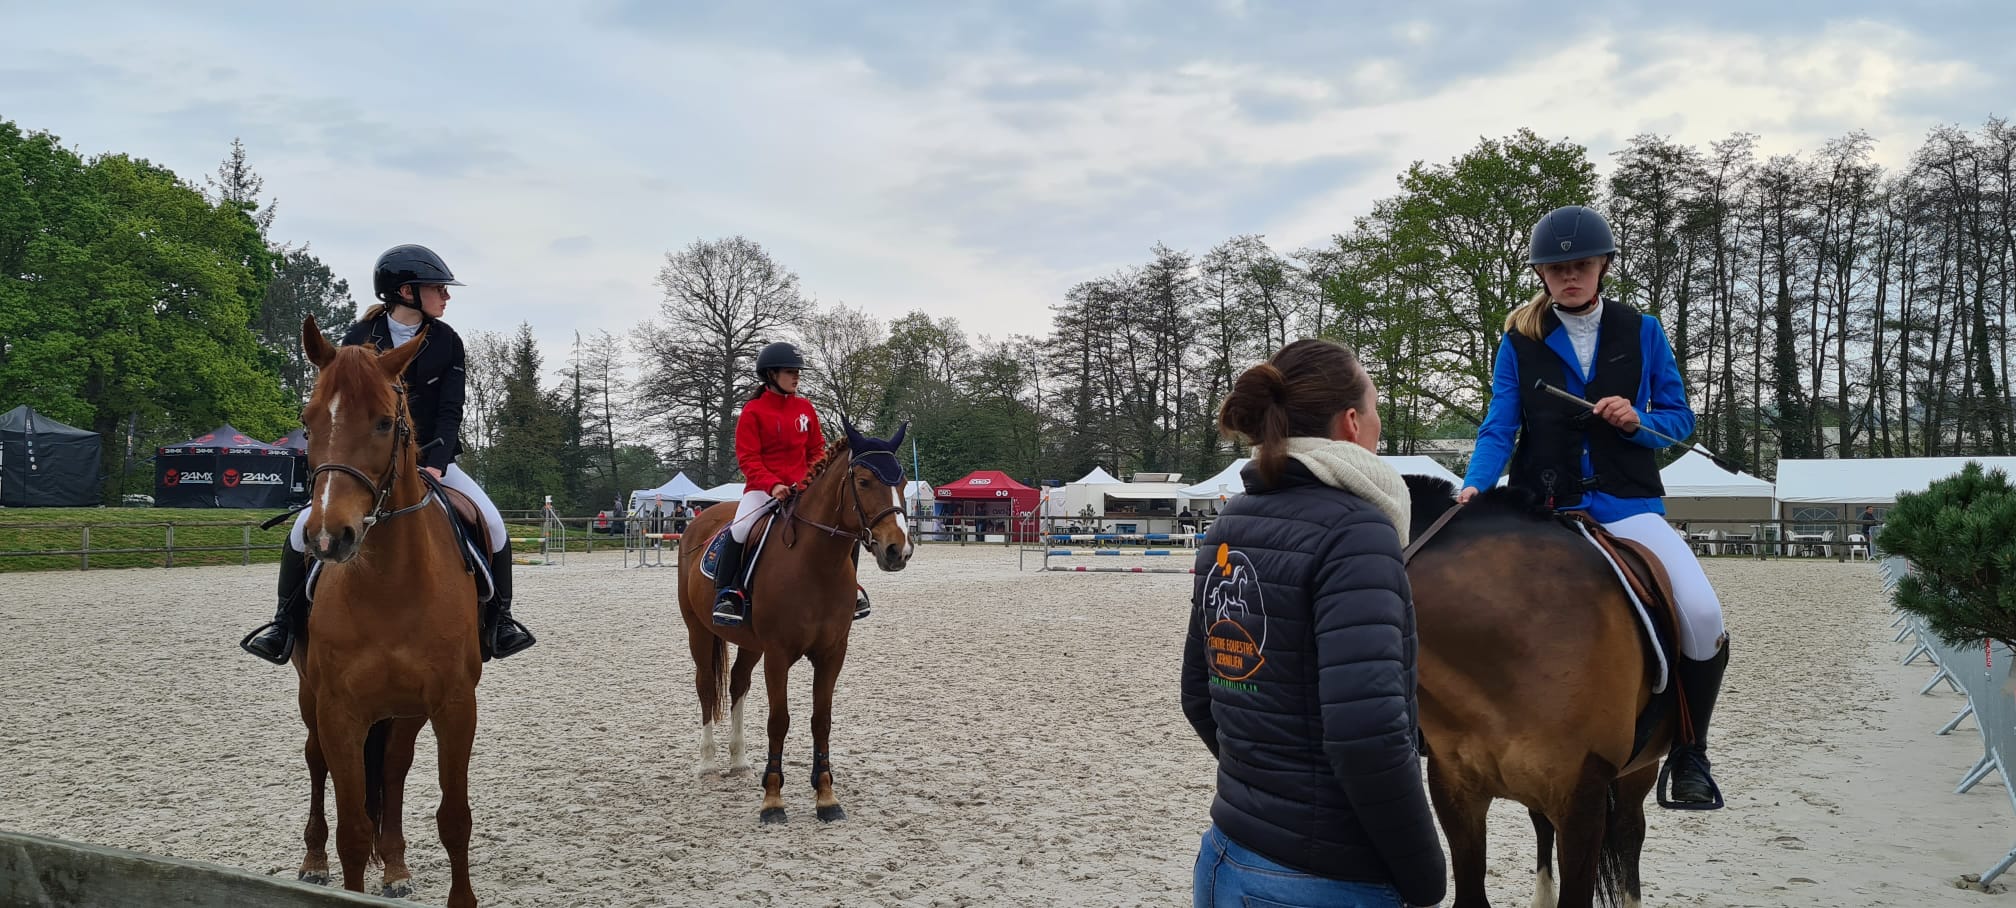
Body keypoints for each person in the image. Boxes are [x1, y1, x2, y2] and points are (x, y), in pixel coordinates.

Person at [1459, 204, 1729, 808]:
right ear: (1541, 274)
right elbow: (1499, 427)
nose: (1569, 277)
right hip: (1542, 507)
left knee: (1704, 614)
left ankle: (1690, 751)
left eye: (1581, 265)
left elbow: (1679, 418)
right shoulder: (1519, 340)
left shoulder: (1644, 331)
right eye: (1556, 269)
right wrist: (1476, 484)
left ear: (1604, 265)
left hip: (1627, 503)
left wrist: (1639, 421)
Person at [1182, 339, 1446, 908]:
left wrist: (1264, 792)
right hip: (1322, 879)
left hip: (1226, 854)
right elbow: (1368, 736)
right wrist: (1424, 872)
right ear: (1352, 423)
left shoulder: (1231, 520)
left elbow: (1200, 696)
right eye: (1374, 406)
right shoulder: (1358, 532)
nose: (1378, 421)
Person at [241, 244, 535, 664]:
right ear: (407, 292)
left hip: (430, 460)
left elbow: (452, 408)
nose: (446, 297)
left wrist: (438, 458)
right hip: (365, 466)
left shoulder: (448, 342)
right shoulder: (359, 339)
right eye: (438, 289)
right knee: (300, 531)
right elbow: (340, 411)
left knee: (492, 522)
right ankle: (284, 623)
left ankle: (499, 621)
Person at [711, 341, 872, 627]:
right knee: (741, 528)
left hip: (803, 489)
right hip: (763, 491)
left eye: (797, 371)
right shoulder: (753, 412)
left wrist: (808, 481)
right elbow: (748, 458)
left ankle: (852, 588)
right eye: (790, 372)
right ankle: (729, 593)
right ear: (771, 374)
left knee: (847, 526)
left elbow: (816, 451)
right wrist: (772, 485)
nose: (796, 376)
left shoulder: (805, 408)